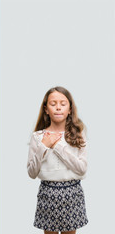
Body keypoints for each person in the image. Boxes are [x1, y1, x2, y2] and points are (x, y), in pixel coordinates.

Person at [27, 86, 88, 234]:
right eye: (53, 104)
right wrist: (44, 146)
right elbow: (32, 173)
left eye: (63, 103)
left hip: (72, 193)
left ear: (70, 109)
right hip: (48, 193)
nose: (58, 108)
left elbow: (82, 169)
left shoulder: (78, 135)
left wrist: (57, 147)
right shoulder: (38, 137)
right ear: (46, 109)